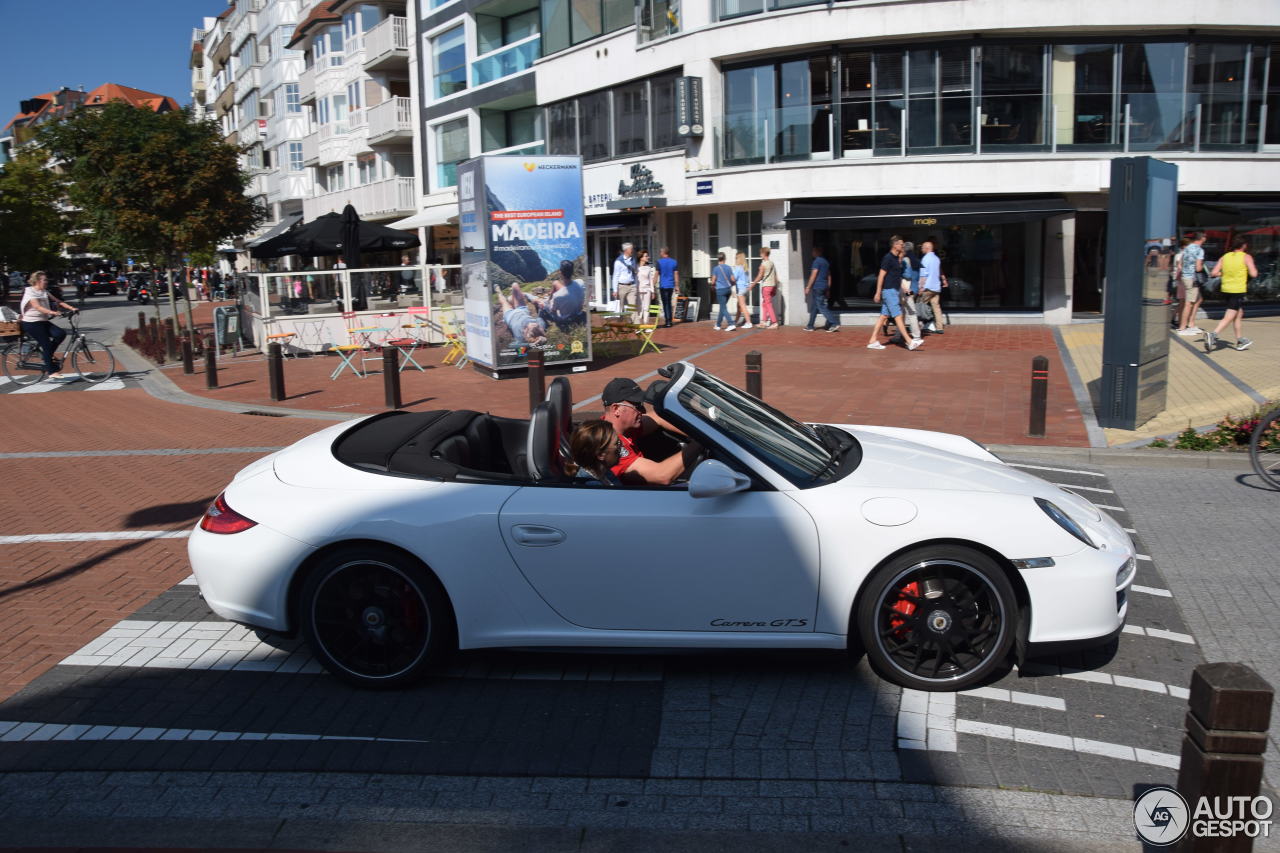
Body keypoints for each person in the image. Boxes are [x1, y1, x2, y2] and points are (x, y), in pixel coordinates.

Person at [599, 377, 698, 485]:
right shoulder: (608, 445)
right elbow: (662, 475)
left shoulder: (624, 426)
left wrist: (695, 429)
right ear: (616, 409)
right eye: (637, 406)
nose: (642, 411)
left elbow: (658, 417)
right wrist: (701, 440)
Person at [18, 271, 78, 379]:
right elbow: (37, 307)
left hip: (42, 321)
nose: (47, 282)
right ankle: (51, 371)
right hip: (31, 323)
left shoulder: (44, 291)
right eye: (44, 280)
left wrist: (71, 308)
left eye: (46, 280)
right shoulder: (30, 292)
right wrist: (53, 312)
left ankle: (48, 356)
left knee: (60, 334)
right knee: (46, 345)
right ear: (37, 281)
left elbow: (58, 301)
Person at [1204, 237, 1258, 353]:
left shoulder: (1225, 257)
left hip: (1226, 289)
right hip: (1237, 290)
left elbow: (1213, 273)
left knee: (1238, 313)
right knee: (1229, 315)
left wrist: (1225, 272)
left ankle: (1239, 340)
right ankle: (1213, 335)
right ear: (1244, 246)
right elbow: (1254, 273)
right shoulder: (1246, 257)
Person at [867, 236, 921, 351]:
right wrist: (878, 292)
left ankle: (872, 340)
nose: (902, 246)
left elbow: (897, 277)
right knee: (898, 316)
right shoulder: (888, 258)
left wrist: (905, 289)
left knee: (883, 317)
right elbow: (881, 275)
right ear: (894, 245)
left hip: (895, 290)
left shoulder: (897, 259)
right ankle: (910, 341)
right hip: (889, 291)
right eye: (901, 244)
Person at [564, 420, 623, 486]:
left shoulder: (604, 472)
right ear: (601, 455)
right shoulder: (591, 487)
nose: (621, 445)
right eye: (617, 443)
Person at [536, 260, 587, 330]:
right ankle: (548, 300)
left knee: (541, 306)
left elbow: (553, 311)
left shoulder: (558, 296)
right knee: (555, 283)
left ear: (561, 273)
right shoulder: (580, 282)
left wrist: (545, 304)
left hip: (564, 319)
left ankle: (541, 326)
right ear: (572, 272)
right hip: (578, 312)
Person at [1176, 231, 1207, 336]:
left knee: (1198, 299)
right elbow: (1198, 268)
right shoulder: (1200, 250)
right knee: (1189, 303)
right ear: (1202, 238)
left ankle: (1191, 324)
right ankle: (1182, 328)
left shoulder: (1188, 248)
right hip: (1192, 278)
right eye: (1205, 237)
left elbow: (1180, 263)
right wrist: (1204, 267)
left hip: (1185, 277)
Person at [804, 246, 840, 332]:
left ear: (817, 252)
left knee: (821, 306)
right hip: (824, 286)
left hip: (818, 286)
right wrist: (828, 289)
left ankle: (834, 322)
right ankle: (810, 325)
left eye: (813, 251)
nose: (812, 253)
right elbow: (829, 276)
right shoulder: (825, 262)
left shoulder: (817, 261)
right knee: (814, 307)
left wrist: (808, 286)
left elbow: (814, 274)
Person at [896, 241, 923, 347]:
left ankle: (898, 335)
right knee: (911, 311)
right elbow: (910, 276)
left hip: (903, 289)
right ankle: (916, 336)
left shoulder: (902, 260)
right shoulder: (909, 260)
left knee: (901, 313)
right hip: (908, 289)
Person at [918, 238, 946, 334]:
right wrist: (944, 280)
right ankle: (939, 327)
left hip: (928, 287)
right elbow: (939, 271)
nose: (921, 249)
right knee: (936, 307)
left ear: (927, 248)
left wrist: (921, 287)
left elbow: (923, 275)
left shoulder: (925, 259)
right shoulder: (936, 259)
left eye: (922, 248)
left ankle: (918, 326)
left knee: (919, 305)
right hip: (936, 287)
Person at [753, 246, 779, 328]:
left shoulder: (763, 264)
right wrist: (775, 287)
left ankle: (774, 322)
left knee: (768, 304)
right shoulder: (771, 263)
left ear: (764, 254)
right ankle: (763, 322)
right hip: (772, 286)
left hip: (766, 286)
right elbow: (775, 276)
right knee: (764, 304)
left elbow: (760, 276)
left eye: (761, 253)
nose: (760, 255)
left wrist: (752, 284)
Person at [711, 252, 737, 331]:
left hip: (720, 290)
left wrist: (712, 285)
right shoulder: (729, 268)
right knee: (723, 307)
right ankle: (718, 324)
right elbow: (733, 279)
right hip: (728, 290)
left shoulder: (716, 268)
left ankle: (731, 323)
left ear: (718, 259)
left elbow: (713, 281)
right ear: (725, 259)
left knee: (723, 308)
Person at [656, 247, 679, 327]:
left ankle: (668, 321)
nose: (660, 254)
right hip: (670, 285)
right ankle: (669, 320)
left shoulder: (659, 262)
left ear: (663, 253)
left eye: (660, 252)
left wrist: (653, 284)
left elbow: (656, 274)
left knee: (665, 303)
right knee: (668, 302)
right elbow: (676, 274)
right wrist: (677, 286)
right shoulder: (674, 262)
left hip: (663, 285)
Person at [612, 243, 637, 315]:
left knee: (633, 307)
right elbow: (615, 276)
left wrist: (636, 285)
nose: (632, 250)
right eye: (631, 249)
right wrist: (615, 290)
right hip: (622, 286)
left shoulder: (633, 260)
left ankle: (635, 324)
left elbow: (635, 274)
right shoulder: (618, 262)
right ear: (626, 250)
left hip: (632, 286)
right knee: (621, 308)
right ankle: (621, 323)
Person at [634, 249, 657, 325]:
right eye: (646, 256)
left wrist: (653, 291)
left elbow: (651, 280)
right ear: (641, 257)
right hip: (638, 290)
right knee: (639, 308)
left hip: (647, 290)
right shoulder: (636, 267)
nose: (648, 257)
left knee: (646, 308)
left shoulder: (648, 268)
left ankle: (645, 325)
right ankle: (638, 325)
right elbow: (634, 279)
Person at [733, 252, 754, 328]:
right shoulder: (745, 268)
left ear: (738, 258)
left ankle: (748, 322)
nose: (735, 259)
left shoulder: (738, 268)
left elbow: (734, 278)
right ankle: (735, 322)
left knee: (742, 306)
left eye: (736, 258)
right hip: (746, 289)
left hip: (741, 289)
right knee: (739, 306)